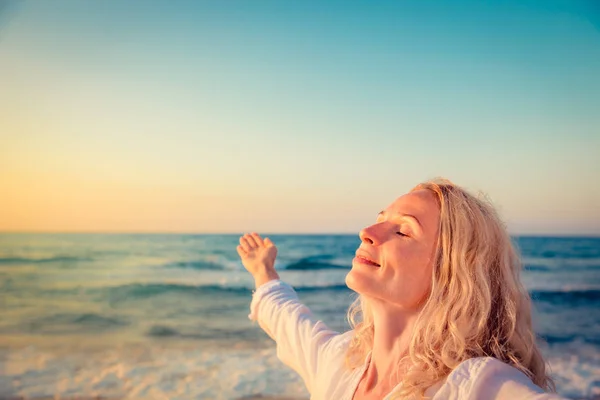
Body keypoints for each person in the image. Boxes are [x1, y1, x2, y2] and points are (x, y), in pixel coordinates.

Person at [236, 178, 566, 400]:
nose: (367, 231)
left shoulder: (478, 386)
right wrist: (263, 271)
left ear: (451, 273)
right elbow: (286, 319)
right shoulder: (339, 362)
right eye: (381, 219)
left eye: (403, 232)